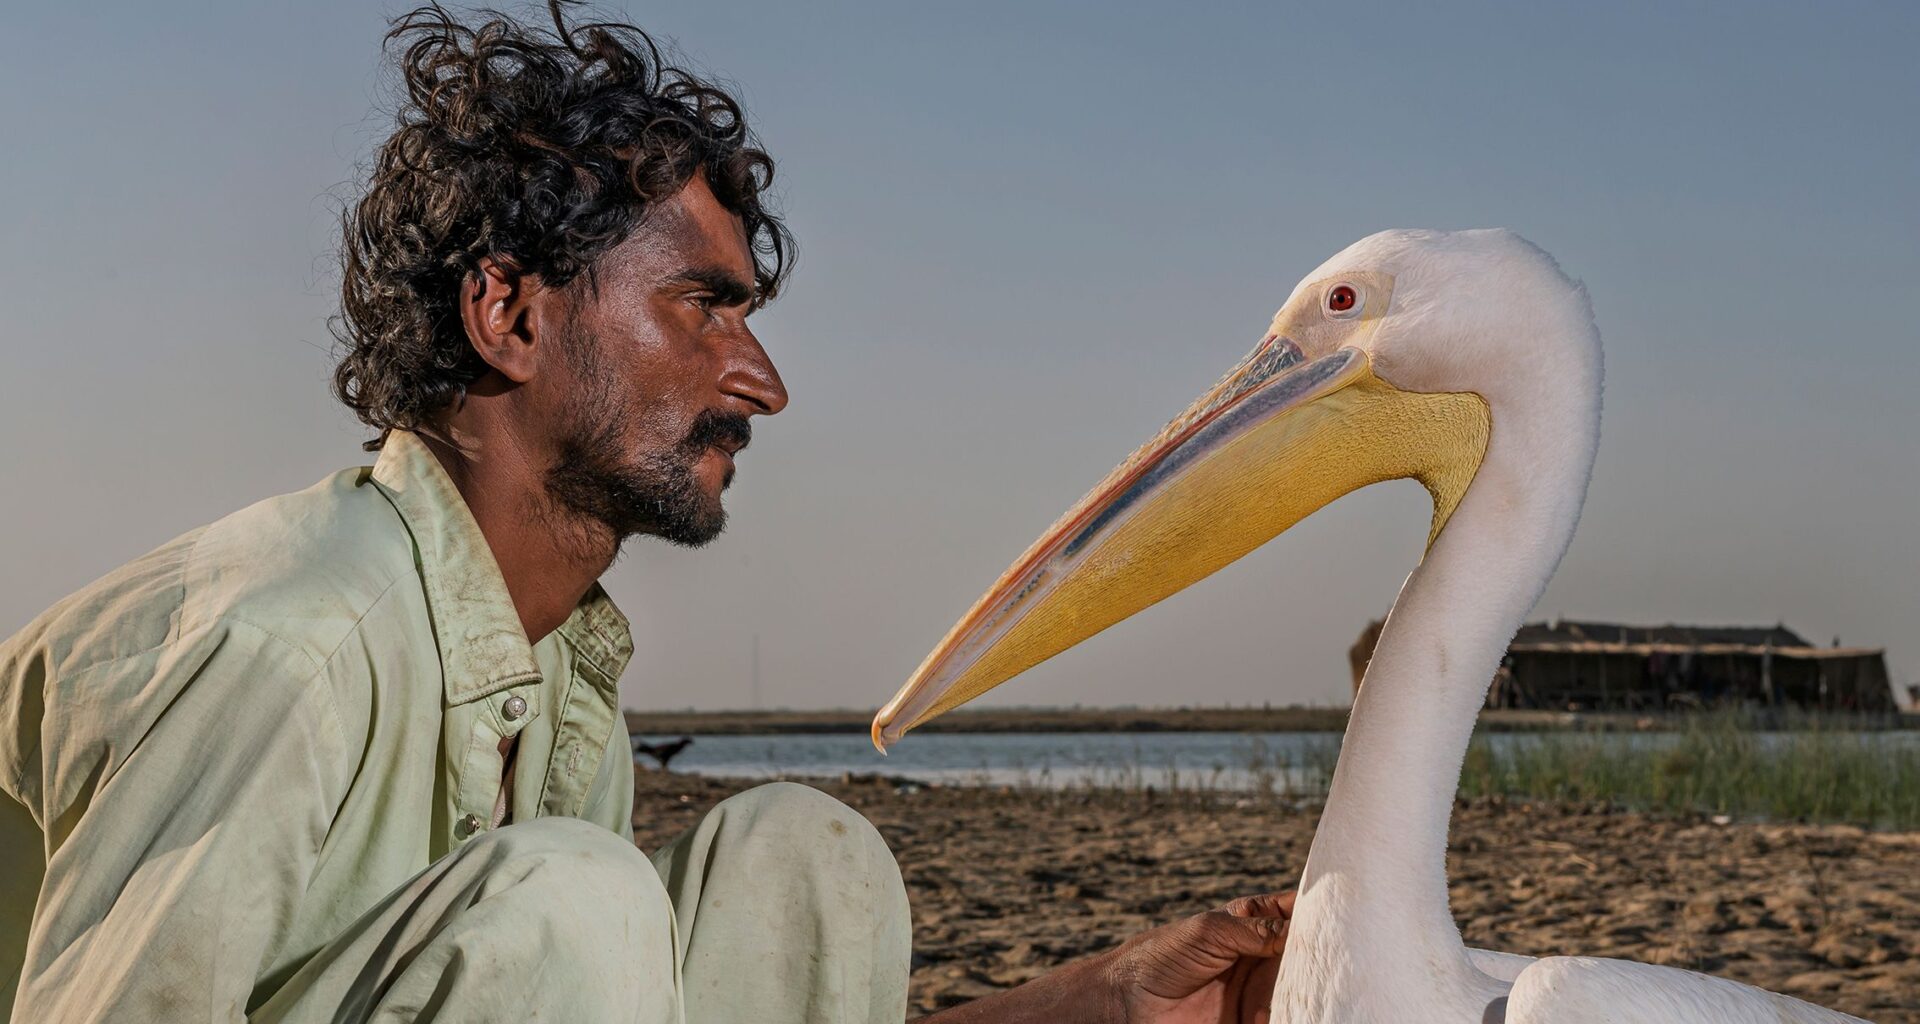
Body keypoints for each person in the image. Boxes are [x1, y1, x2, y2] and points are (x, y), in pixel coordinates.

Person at [0, 3, 1293, 1020]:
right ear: (511, 315)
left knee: (801, 858)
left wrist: (1092, 1003)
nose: (762, 384)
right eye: (702, 307)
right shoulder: (292, 646)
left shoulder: (556, 669)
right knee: (575, 898)